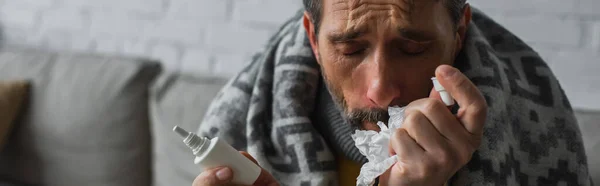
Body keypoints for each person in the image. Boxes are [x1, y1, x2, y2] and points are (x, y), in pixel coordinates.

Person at [192, 0, 592, 185]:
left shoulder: (533, 128)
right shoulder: (248, 126)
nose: (381, 89)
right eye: (349, 49)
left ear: (459, 33)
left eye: (412, 49)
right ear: (313, 38)